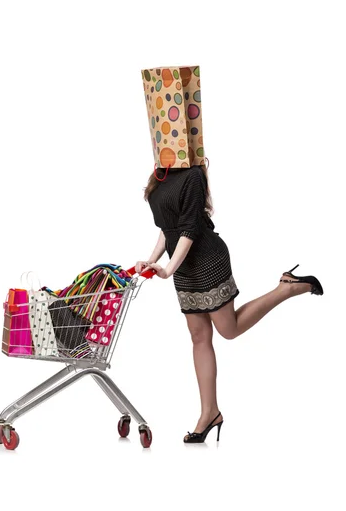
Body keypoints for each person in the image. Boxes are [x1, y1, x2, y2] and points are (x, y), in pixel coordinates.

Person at [138, 65, 324, 444]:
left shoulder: (192, 173)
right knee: (198, 336)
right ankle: (209, 413)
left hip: (205, 258)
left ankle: (286, 288)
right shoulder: (159, 175)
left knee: (228, 330)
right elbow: (167, 226)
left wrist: (168, 267)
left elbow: (190, 228)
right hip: (182, 264)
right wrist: (151, 258)